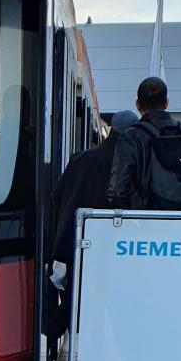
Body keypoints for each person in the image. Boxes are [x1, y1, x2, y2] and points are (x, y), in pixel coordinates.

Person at [106, 77, 181, 209]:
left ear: (137, 105)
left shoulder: (131, 136)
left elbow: (117, 191)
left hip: (146, 221)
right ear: (166, 103)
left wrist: (134, 216)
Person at [53, 110, 140, 263]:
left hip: (75, 241)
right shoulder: (133, 164)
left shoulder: (79, 159)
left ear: (111, 129)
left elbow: (57, 197)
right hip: (114, 244)